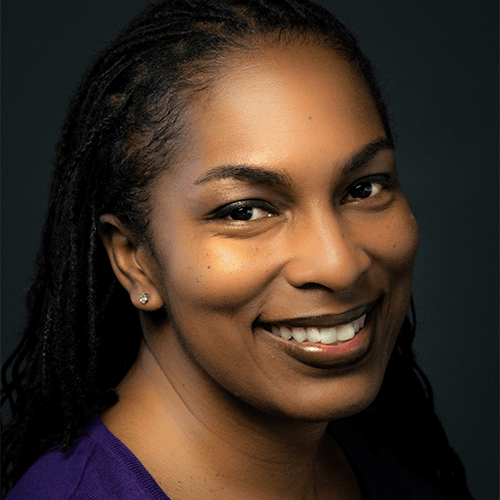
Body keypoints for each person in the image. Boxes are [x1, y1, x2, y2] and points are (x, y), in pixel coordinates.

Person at [0, 0, 474, 498]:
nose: (339, 264)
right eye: (245, 211)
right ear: (134, 260)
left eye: (363, 188)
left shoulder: (383, 451)